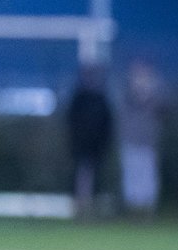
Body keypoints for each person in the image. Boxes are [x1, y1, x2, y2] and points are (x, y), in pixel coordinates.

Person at [66, 62, 114, 218]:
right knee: (81, 175)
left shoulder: (100, 99)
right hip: (81, 145)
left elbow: (107, 123)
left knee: (96, 177)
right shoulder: (79, 98)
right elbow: (71, 121)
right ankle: (81, 207)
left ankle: (92, 208)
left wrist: (104, 142)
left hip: (97, 146)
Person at [119, 59, 165, 217]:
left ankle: (148, 209)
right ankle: (132, 210)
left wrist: (149, 94)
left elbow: (162, 111)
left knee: (148, 176)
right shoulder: (127, 96)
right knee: (131, 176)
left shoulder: (154, 98)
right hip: (131, 141)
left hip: (148, 142)